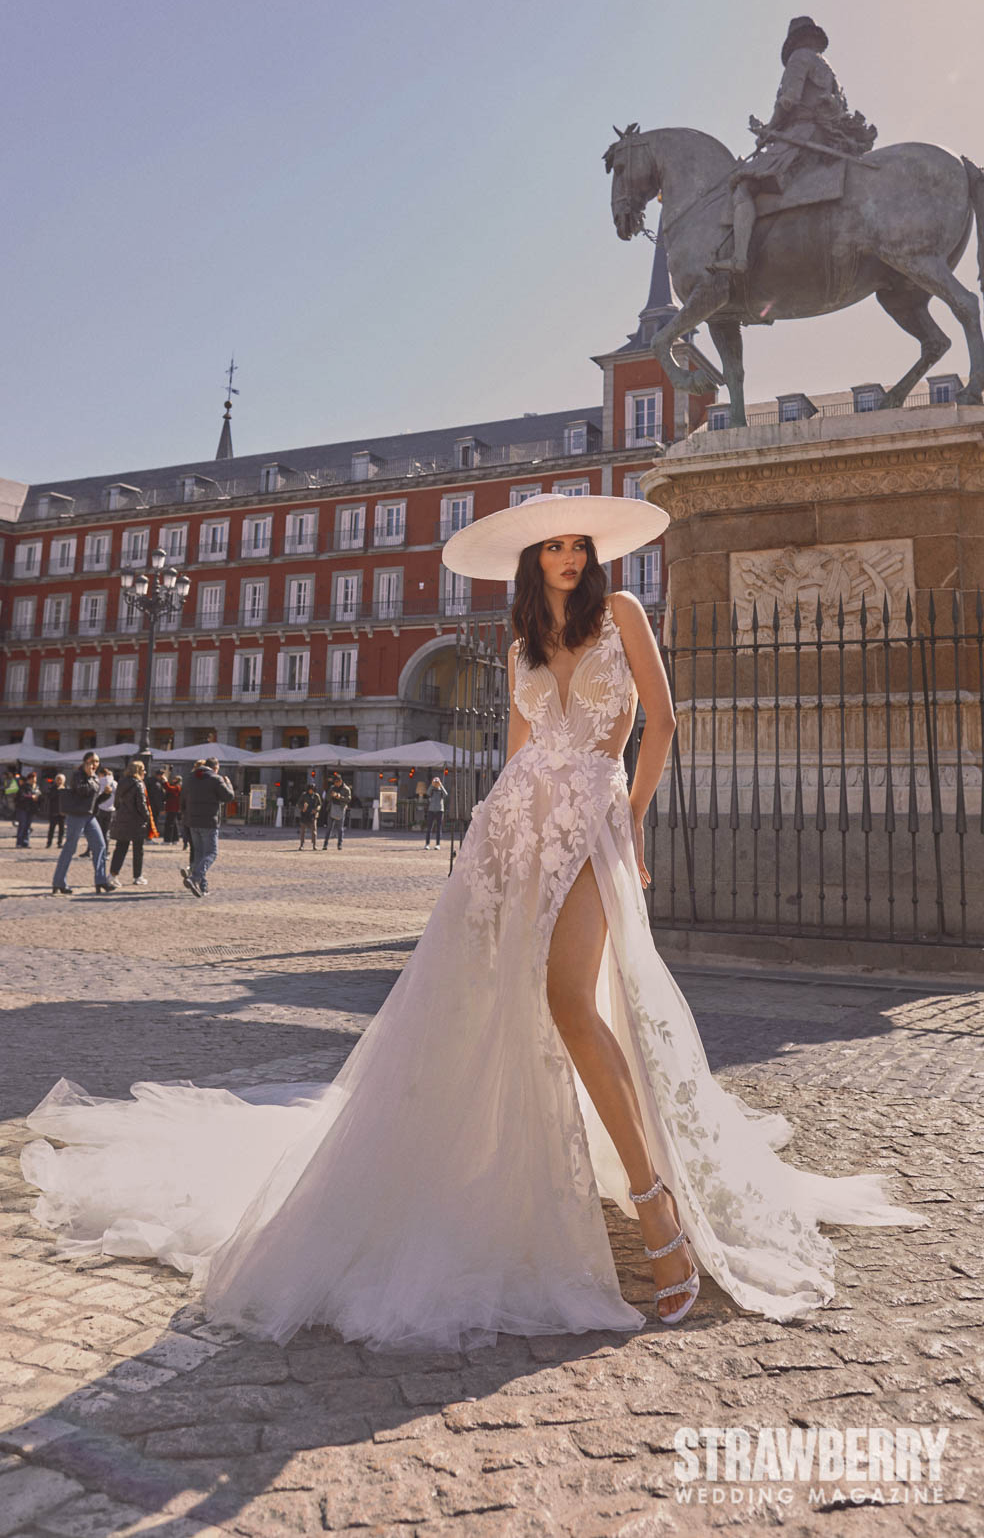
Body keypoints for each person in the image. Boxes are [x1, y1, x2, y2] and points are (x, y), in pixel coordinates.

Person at [20, 494, 927, 1348]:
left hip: (594, 823)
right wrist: (488, 852)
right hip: (513, 831)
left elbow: (663, 720)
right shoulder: (521, 643)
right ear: (533, 560)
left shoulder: (629, 621)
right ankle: (509, 1171)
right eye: (555, 547)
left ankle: (656, 1207)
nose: (571, 557)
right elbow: (520, 757)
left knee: (573, 1002)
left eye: (582, 545)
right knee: (493, 1008)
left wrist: (633, 820)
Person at [710, 16, 875, 278]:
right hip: (825, 139)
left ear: (794, 41)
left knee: (743, 186)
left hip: (803, 136)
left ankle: (740, 258)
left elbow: (789, 101)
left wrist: (769, 131)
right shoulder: (828, 69)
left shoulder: (800, 58)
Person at [50, 752, 117, 895]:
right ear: (85, 762)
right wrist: (90, 777)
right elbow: (82, 791)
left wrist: (106, 794)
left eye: (97, 761)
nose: (95, 764)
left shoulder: (94, 777)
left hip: (90, 816)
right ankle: (59, 882)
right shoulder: (77, 775)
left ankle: (100, 881)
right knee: (70, 848)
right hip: (76, 816)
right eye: (92, 761)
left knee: (100, 845)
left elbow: (94, 802)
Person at [179, 757, 236, 898]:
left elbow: (182, 799)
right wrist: (229, 784)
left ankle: (202, 887)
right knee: (211, 853)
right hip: (209, 822)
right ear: (216, 768)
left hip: (192, 822)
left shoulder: (190, 778)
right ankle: (194, 878)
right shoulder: (216, 779)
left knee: (199, 854)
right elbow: (228, 797)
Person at [109, 760, 152, 886]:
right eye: (143, 770)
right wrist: (147, 817)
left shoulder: (121, 783)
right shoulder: (139, 784)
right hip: (136, 821)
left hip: (122, 820)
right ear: (138, 771)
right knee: (138, 850)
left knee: (120, 848)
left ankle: (112, 875)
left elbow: (116, 803)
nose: (145, 772)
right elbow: (141, 804)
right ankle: (137, 876)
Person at [14, 770, 42, 848]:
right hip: (23, 808)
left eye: (35, 778)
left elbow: (39, 796)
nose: (35, 780)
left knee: (28, 826)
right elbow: (21, 796)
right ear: (29, 779)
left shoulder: (36, 787)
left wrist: (38, 797)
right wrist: (31, 797)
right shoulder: (24, 786)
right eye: (33, 778)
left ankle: (25, 842)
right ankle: (19, 843)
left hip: (31, 809)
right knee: (22, 825)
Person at [323, 773, 351, 850]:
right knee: (329, 828)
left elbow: (348, 799)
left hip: (341, 809)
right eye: (334, 783)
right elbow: (327, 799)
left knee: (340, 828)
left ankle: (339, 844)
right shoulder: (332, 788)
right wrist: (331, 795)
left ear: (340, 781)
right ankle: (325, 844)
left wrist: (339, 797)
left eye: (337, 782)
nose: (336, 784)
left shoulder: (346, 789)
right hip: (331, 808)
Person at [422, 775, 449, 849]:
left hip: (440, 810)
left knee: (438, 828)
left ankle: (438, 844)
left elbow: (446, 794)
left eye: (437, 781)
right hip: (431, 810)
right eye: (435, 781)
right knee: (429, 828)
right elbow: (427, 793)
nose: (436, 783)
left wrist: (441, 785)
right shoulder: (432, 789)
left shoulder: (441, 790)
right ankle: (427, 844)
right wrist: (432, 784)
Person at [95, 767, 117, 851]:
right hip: (111, 809)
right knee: (106, 832)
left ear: (101, 774)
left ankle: (95, 850)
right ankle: (106, 850)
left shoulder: (99, 781)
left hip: (100, 808)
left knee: (96, 831)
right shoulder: (114, 783)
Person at [296, 783, 322, 851]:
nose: (311, 791)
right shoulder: (304, 795)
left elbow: (319, 804)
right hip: (304, 814)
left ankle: (314, 845)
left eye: (312, 790)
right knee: (302, 831)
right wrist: (302, 808)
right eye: (310, 790)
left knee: (314, 831)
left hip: (313, 815)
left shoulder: (316, 795)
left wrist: (316, 810)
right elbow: (298, 804)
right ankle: (301, 845)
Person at [45, 774, 66, 850]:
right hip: (54, 811)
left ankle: (60, 842)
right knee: (52, 828)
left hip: (62, 812)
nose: (59, 781)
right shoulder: (52, 788)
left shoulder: (66, 789)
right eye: (58, 779)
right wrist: (58, 790)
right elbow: (50, 797)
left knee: (62, 829)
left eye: (60, 779)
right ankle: (49, 843)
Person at [162, 772, 182, 844]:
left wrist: (165, 781)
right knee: (174, 824)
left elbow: (169, 788)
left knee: (169, 824)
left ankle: (168, 840)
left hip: (173, 808)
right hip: (173, 808)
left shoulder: (177, 787)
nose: (173, 780)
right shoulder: (176, 787)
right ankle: (175, 839)